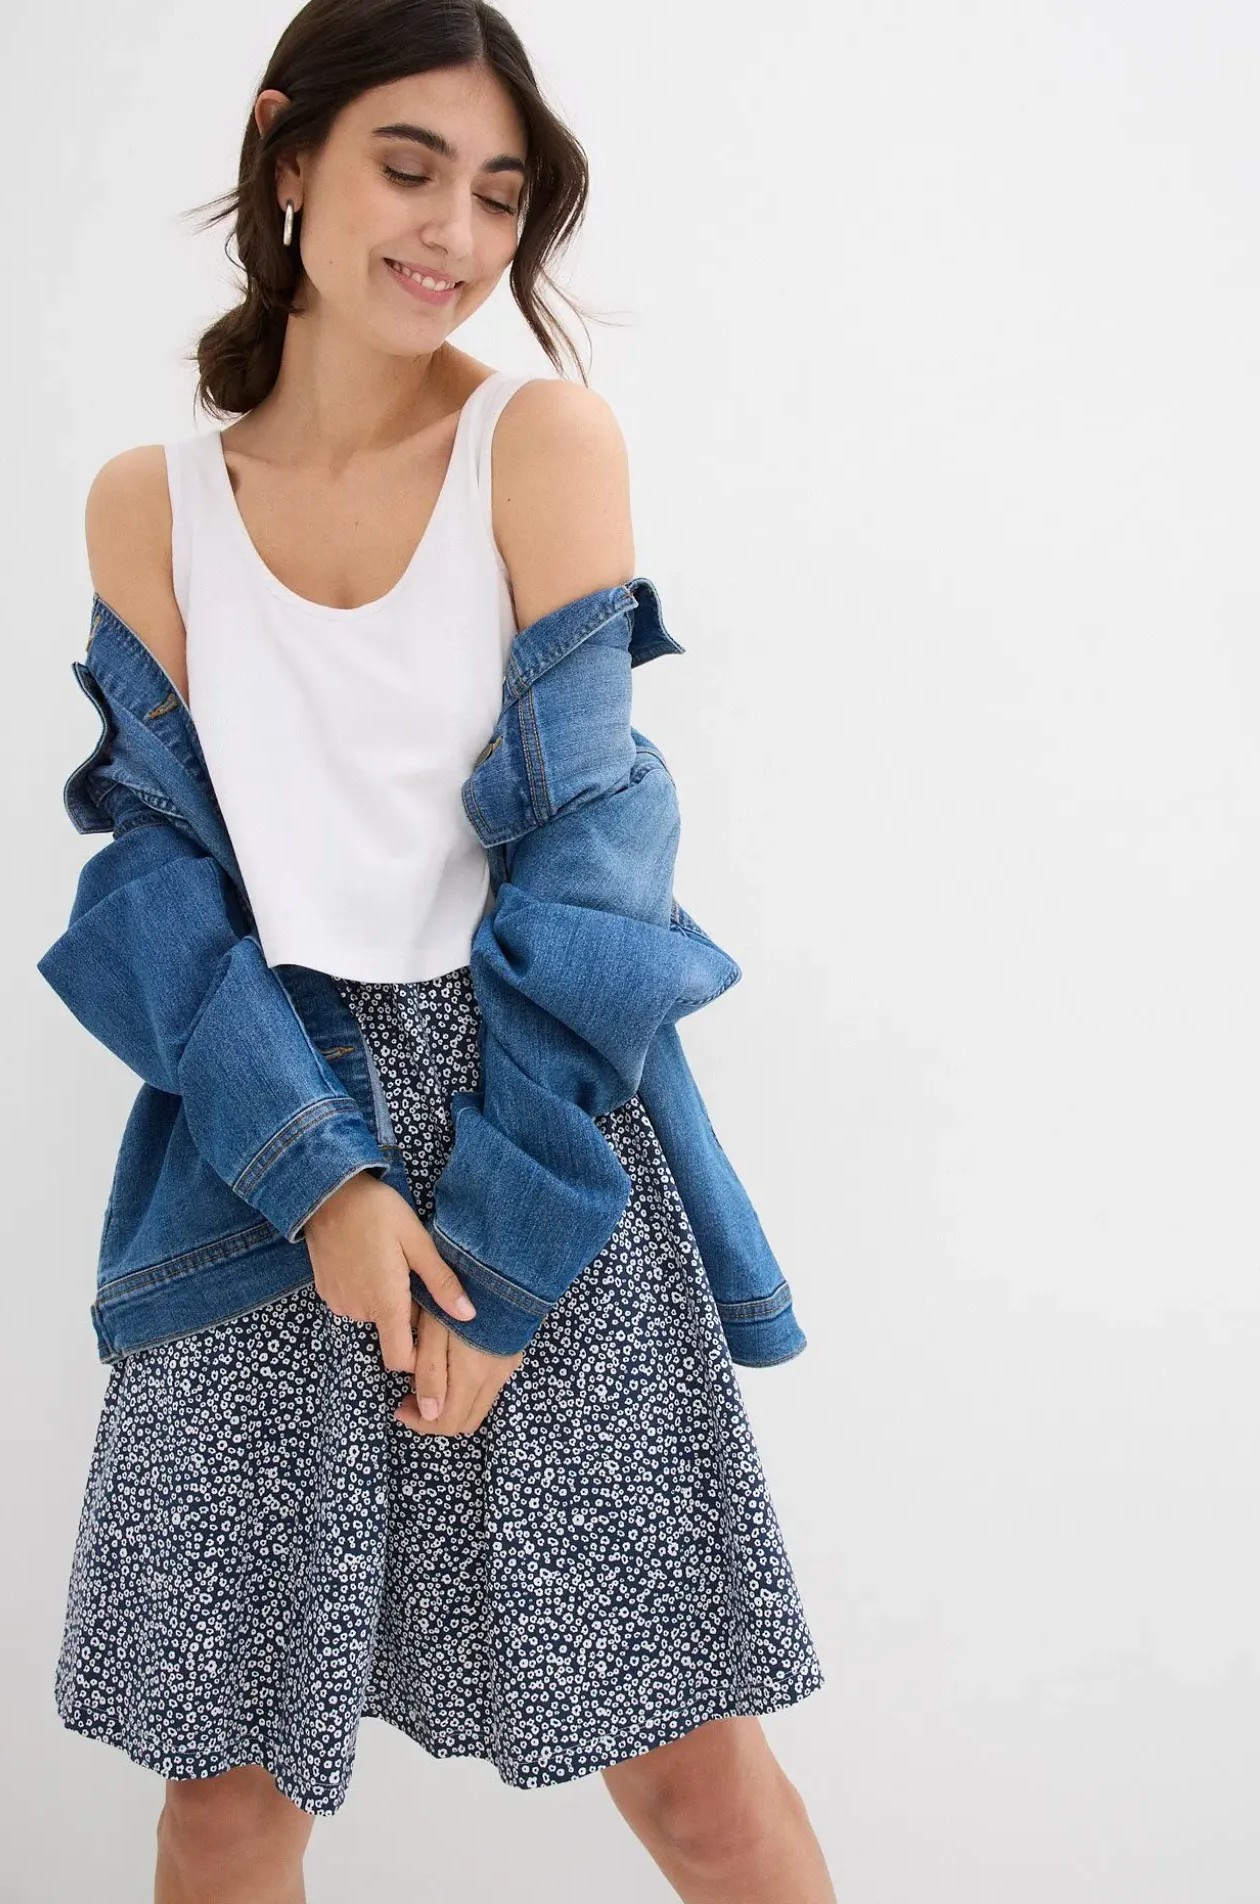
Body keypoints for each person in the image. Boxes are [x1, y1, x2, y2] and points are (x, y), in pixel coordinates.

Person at [50, 3, 837, 1899]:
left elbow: (600, 860)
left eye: (498, 195)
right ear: (289, 151)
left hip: (539, 1135)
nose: (456, 233)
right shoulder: (152, 500)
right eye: (411, 170)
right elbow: (153, 890)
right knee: (224, 1798)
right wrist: (318, 1178)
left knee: (692, 1775)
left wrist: (498, 1258)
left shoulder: (536, 441)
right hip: (259, 1142)